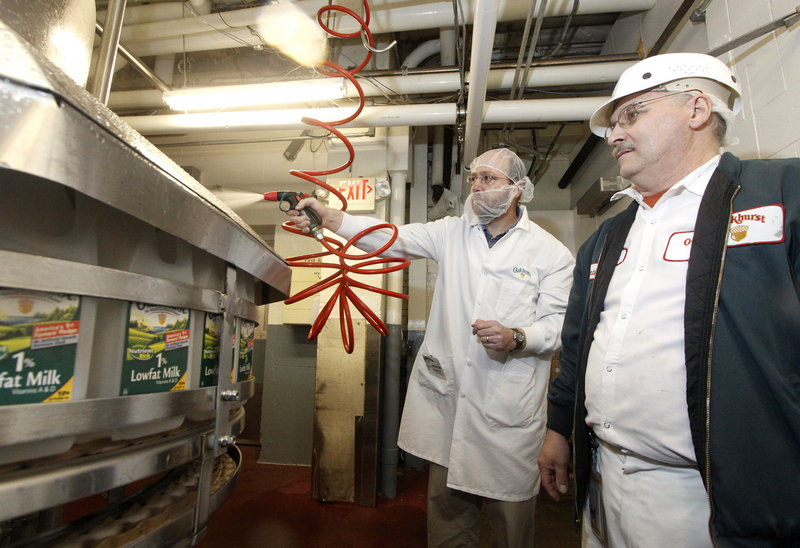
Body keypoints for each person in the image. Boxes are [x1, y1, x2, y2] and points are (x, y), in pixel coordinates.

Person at [538, 51, 800, 547]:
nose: (614, 135)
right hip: (604, 476)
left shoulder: (781, 194)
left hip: (712, 496)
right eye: (614, 123)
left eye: (631, 115)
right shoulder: (607, 238)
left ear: (697, 110)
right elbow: (577, 348)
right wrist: (558, 429)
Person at [287, 148, 574, 547]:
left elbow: (559, 327)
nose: (477, 187)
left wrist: (517, 337)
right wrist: (332, 218)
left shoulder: (550, 254)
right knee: (448, 514)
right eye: (474, 178)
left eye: (488, 179)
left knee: (511, 520)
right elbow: (389, 238)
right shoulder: (451, 232)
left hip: (506, 406)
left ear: (518, 189)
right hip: (450, 404)